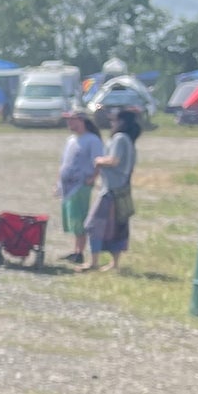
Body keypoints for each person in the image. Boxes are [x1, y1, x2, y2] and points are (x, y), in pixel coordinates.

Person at [82, 107, 140, 271]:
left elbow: (113, 161)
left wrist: (99, 160)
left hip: (111, 191)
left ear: (121, 122)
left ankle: (93, 262)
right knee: (116, 228)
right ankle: (114, 264)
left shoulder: (120, 138)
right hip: (121, 189)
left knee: (93, 225)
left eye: (113, 120)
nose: (111, 123)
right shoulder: (129, 140)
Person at [56, 110, 102, 264]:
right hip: (67, 186)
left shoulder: (92, 140)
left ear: (82, 121)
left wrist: (93, 177)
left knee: (79, 219)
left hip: (81, 185)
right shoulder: (71, 140)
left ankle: (80, 252)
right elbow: (64, 161)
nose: (69, 123)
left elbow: (98, 161)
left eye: (72, 120)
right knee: (71, 219)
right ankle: (75, 250)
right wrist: (58, 184)